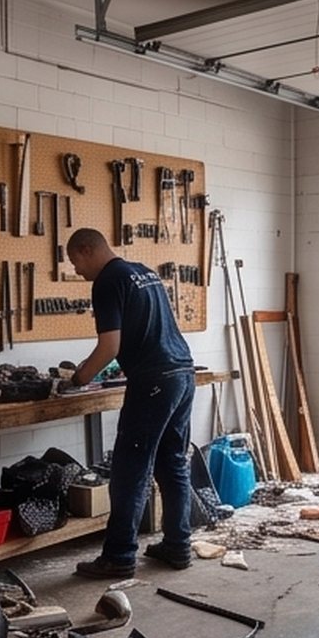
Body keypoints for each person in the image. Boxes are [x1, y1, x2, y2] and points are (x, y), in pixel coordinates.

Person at [65, 228, 195, 578]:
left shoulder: (107, 281)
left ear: (87, 249)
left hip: (153, 380)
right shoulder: (144, 272)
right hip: (182, 372)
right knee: (172, 463)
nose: (76, 270)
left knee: (129, 469)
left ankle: (120, 556)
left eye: (74, 261)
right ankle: (178, 546)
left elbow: (110, 347)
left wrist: (77, 379)